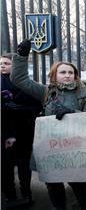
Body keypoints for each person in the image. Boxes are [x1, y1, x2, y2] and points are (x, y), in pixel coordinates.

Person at [10, 39, 86, 210]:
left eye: (70, 72)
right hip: (51, 148)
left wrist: (72, 115)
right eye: (63, 72)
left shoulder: (83, 93)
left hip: (75, 148)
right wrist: (20, 57)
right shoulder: (46, 92)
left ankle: (83, 205)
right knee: (53, 184)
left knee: (77, 181)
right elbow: (18, 79)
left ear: (75, 75)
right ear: (54, 75)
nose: (67, 75)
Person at [1, 53, 43, 208]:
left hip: (24, 131)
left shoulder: (27, 85)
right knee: (5, 167)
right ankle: (10, 196)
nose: (2, 66)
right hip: (4, 133)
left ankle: (27, 194)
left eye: (6, 63)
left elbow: (38, 106)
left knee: (24, 166)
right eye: (1, 63)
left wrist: (21, 109)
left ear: (15, 66)